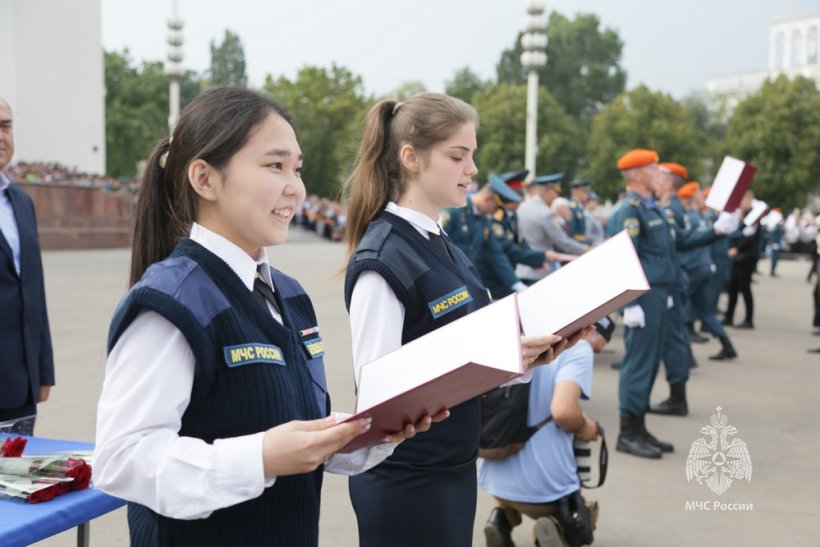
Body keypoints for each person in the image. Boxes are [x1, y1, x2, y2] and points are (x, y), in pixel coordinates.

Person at [93, 87, 429, 546]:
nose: (296, 187)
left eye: (297, 168)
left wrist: (377, 430)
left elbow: (300, 427)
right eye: (275, 166)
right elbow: (123, 460)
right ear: (205, 179)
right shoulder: (171, 301)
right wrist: (261, 457)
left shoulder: (289, 296)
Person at [342, 92, 576, 547]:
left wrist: (523, 358)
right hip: (407, 480)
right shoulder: (383, 257)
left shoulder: (439, 242)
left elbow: (459, 355)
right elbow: (382, 401)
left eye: (472, 155)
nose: (472, 169)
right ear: (411, 158)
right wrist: (501, 354)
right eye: (458, 155)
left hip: (450, 470)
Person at [479, 316, 615, 547]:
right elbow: (563, 411)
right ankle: (554, 526)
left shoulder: (524, 340)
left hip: (494, 475)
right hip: (546, 487)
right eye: (601, 343)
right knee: (581, 521)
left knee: (508, 499)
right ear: (591, 330)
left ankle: (500, 517)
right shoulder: (579, 349)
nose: (598, 349)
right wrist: (586, 427)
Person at [0, 98, 54, 432]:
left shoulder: (22, 203)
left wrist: (43, 369)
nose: (1, 136)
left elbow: (33, 291)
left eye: (5, 126)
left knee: (16, 483)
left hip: (21, 386)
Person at [516, 173, 589, 284]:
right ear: (546, 191)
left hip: (522, 269)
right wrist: (586, 250)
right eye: (554, 191)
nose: (556, 195)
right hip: (542, 270)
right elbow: (563, 242)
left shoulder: (522, 207)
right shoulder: (546, 213)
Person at [723, 191, 761, 329]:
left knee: (745, 288)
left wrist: (737, 249)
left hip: (746, 256)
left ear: (749, 200)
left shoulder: (753, 216)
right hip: (739, 257)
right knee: (733, 286)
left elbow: (748, 236)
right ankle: (729, 316)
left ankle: (749, 320)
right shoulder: (744, 215)